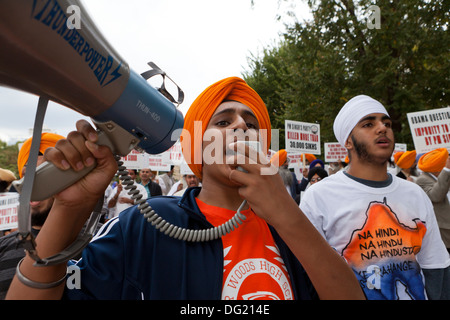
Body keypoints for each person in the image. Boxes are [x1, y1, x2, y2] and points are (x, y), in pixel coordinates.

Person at [6, 77, 364, 300]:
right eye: (223, 121)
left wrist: (287, 214)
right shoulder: (147, 223)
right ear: (197, 148)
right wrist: (70, 209)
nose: (241, 125)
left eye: (252, 122)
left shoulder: (290, 228)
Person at [300, 94, 450, 300]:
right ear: (348, 141)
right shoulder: (318, 196)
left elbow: (435, 265)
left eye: (386, 122)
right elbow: (307, 274)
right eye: (368, 123)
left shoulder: (414, 193)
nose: (382, 128)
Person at [0, 133, 64, 299]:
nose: (33, 186)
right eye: (27, 176)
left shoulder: (99, 242)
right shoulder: (4, 246)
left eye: (43, 176)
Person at [415, 148, 450, 251]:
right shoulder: (422, 179)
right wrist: (446, 170)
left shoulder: (442, 175)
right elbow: (436, 196)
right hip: (444, 229)